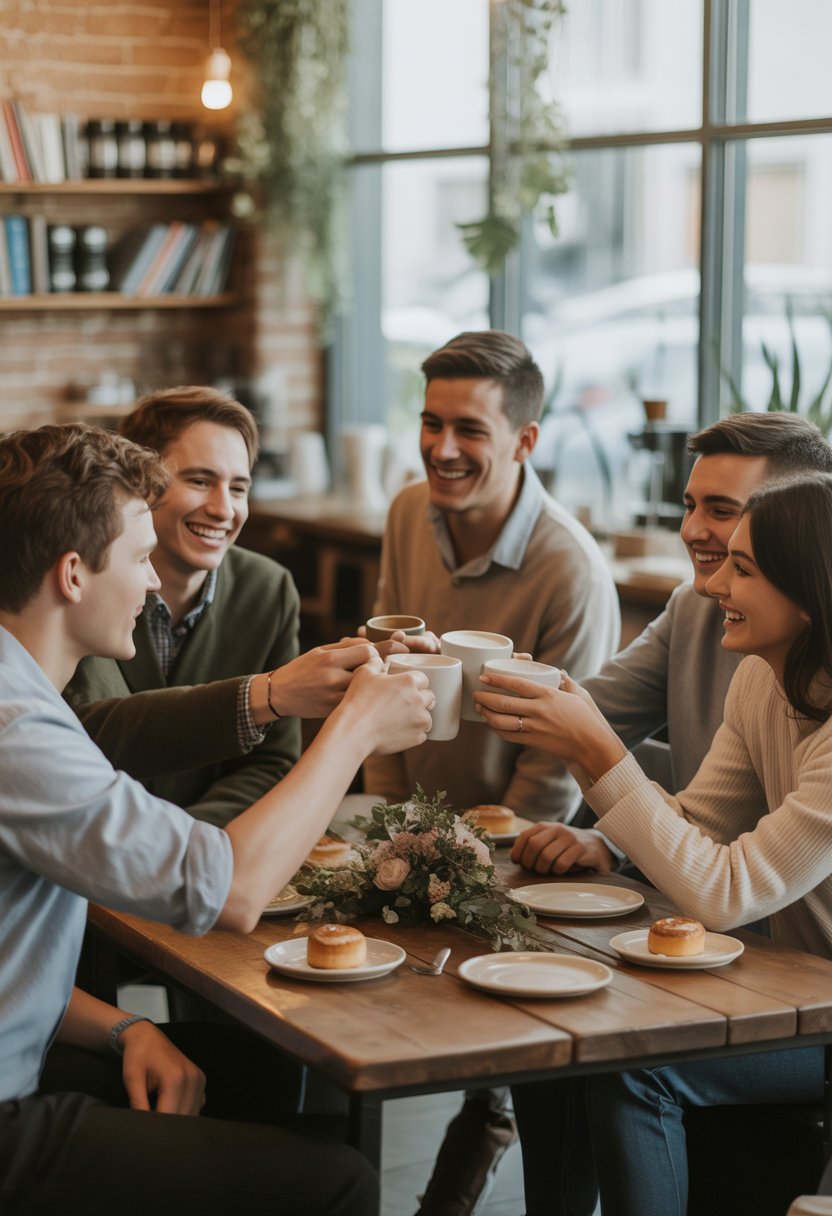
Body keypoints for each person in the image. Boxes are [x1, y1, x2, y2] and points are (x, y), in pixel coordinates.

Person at [0, 422, 433, 1214]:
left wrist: (127, 1031)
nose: (150, 586)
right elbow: (230, 891)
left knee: (263, 1068)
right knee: (338, 1184)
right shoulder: (17, 728)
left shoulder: (24, 692)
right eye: (137, 559)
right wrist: (354, 733)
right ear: (71, 574)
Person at [475, 470, 832, 1216]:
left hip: (821, 1015)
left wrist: (601, 755)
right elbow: (699, 823)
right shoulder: (759, 682)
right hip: (795, 991)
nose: (713, 587)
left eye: (744, 569)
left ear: (806, 595)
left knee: (639, 1069)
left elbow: (726, 894)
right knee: (571, 1036)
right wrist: (603, 830)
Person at [363, 330, 620, 1216]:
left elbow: (552, 766)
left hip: (515, 850)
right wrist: (391, 827)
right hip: (412, 829)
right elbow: (387, 674)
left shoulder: (568, 567)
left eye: (468, 429)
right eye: (430, 423)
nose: (442, 449)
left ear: (524, 440)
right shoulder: (406, 513)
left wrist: (475, 863)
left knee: (498, 1050)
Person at [66, 386, 302, 827]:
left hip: (206, 852)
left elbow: (272, 763)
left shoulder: (269, 589)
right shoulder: (83, 585)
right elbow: (84, 736)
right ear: (138, 482)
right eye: (199, 480)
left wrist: (185, 842)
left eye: (238, 488)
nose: (223, 509)